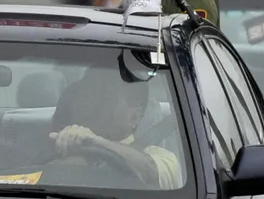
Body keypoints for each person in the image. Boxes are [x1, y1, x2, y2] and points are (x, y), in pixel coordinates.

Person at [47, 70, 180, 188]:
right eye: (85, 95)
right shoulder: (53, 145)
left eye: (103, 98)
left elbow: (149, 170)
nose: (89, 103)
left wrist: (93, 141)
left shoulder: (162, 158)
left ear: (133, 117)